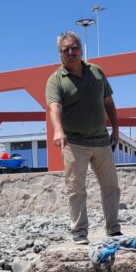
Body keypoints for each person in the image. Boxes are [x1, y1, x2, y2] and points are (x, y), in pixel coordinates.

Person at [46, 30, 122, 245]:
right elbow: (55, 106)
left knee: (111, 186)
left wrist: (116, 129)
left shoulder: (97, 72)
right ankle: (79, 233)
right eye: (65, 50)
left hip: (101, 141)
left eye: (74, 48)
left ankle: (113, 228)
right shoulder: (55, 80)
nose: (71, 52)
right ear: (60, 54)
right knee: (75, 189)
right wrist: (58, 130)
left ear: (81, 49)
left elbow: (108, 102)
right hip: (74, 143)